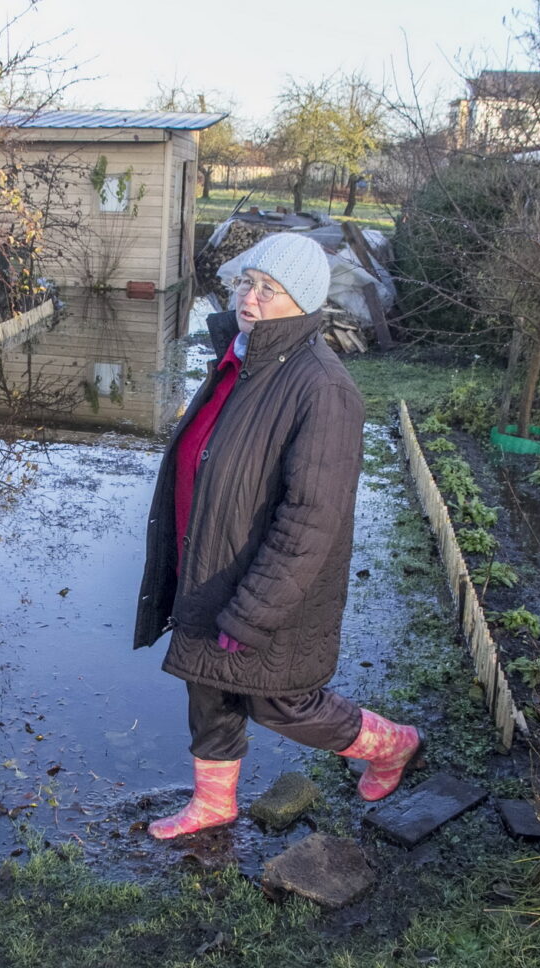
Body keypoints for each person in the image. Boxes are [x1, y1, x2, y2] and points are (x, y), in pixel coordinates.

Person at [134, 231, 423, 839]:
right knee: (207, 687)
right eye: (249, 282)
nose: (252, 298)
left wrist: (253, 612)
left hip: (268, 584)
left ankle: (392, 744)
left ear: (305, 303)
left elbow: (309, 520)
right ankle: (214, 803)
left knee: (280, 701)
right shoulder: (240, 359)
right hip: (210, 561)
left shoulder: (323, 389)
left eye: (272, 290)